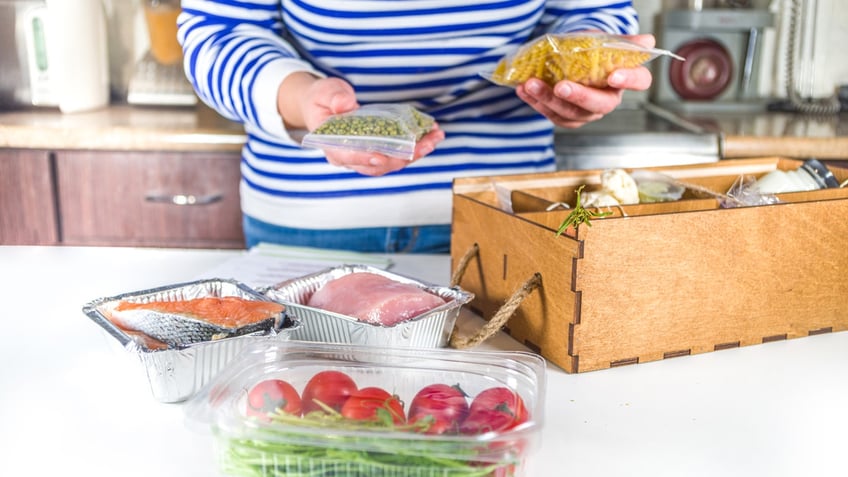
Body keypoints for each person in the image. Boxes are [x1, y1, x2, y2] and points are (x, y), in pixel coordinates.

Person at [178, 1, 653, 253]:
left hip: (500, 213)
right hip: (314, 221)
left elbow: (593, 10)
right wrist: (304, 99)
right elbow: (218, 33)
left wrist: (589, 61)